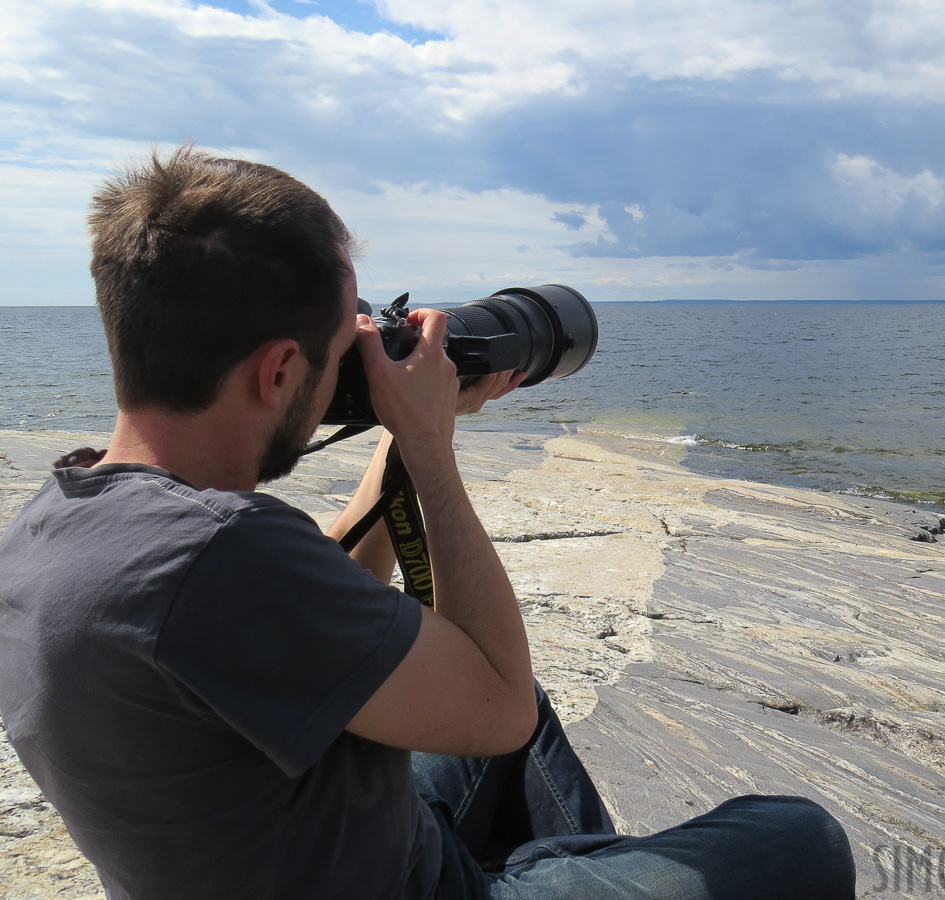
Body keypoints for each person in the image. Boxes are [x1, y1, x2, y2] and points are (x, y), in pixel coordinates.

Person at [0, 146, 855, 899]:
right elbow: (496, 704)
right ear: (279, 371)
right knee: (798, 836)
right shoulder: (220, 553)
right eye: (347, 348)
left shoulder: (67, 522)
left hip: (307, 851)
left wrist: (403, 435)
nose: (359, 364)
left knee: (507, 722)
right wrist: (434, 456)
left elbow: (306, 615)